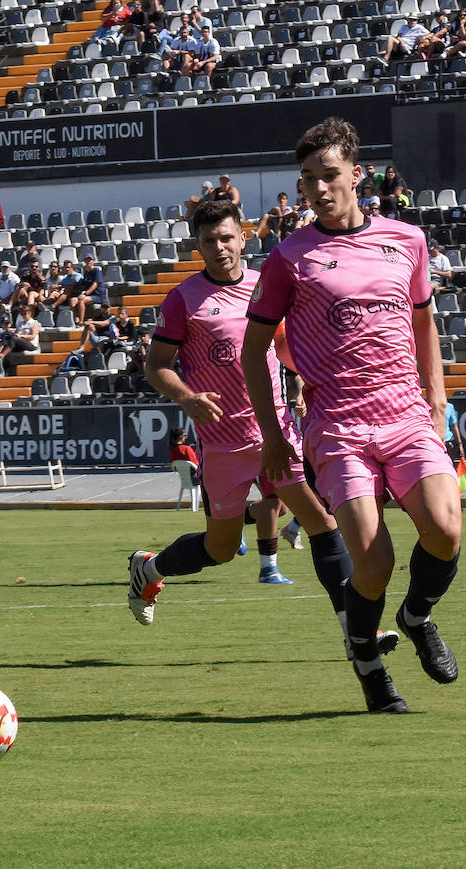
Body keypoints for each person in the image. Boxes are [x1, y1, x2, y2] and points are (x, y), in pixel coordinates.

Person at [243, 116, 462, 714]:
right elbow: (254, 348)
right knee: (374, 559)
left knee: (445, 531)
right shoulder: (290, 257)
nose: (317, 189)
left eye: (329, 175)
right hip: (337, 423)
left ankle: (416, 618)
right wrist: (272, 434)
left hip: (406, 412)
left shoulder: (407, 240)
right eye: (308, 178)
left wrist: (437, 398)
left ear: (356, 174)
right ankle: (367, 659)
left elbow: (423, 324)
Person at [127, 199, 370, 640]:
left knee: (321, 521)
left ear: (244, 236)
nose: (220, 247)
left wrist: (305, 384)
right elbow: (156, 364)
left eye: (226, 237)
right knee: (219, 550)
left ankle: (357, 635)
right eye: (209, 241)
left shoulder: (266, 285)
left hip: (273, 432)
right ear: (197, 246)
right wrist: (187, 397)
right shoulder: (184, 299)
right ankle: (149, 568)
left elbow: (286, 347)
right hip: (222, 445)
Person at [70, 255, 107, 320]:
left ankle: (81, 321)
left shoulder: (97, 271)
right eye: (86, 260)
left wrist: (85, 294)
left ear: (93, 261)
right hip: (90, 295)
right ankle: (76, 319)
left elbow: (95, 285)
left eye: (90, 260)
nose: (88, 262)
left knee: (82, 300)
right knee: (73, 300)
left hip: (98, 295)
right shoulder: (86, 273)